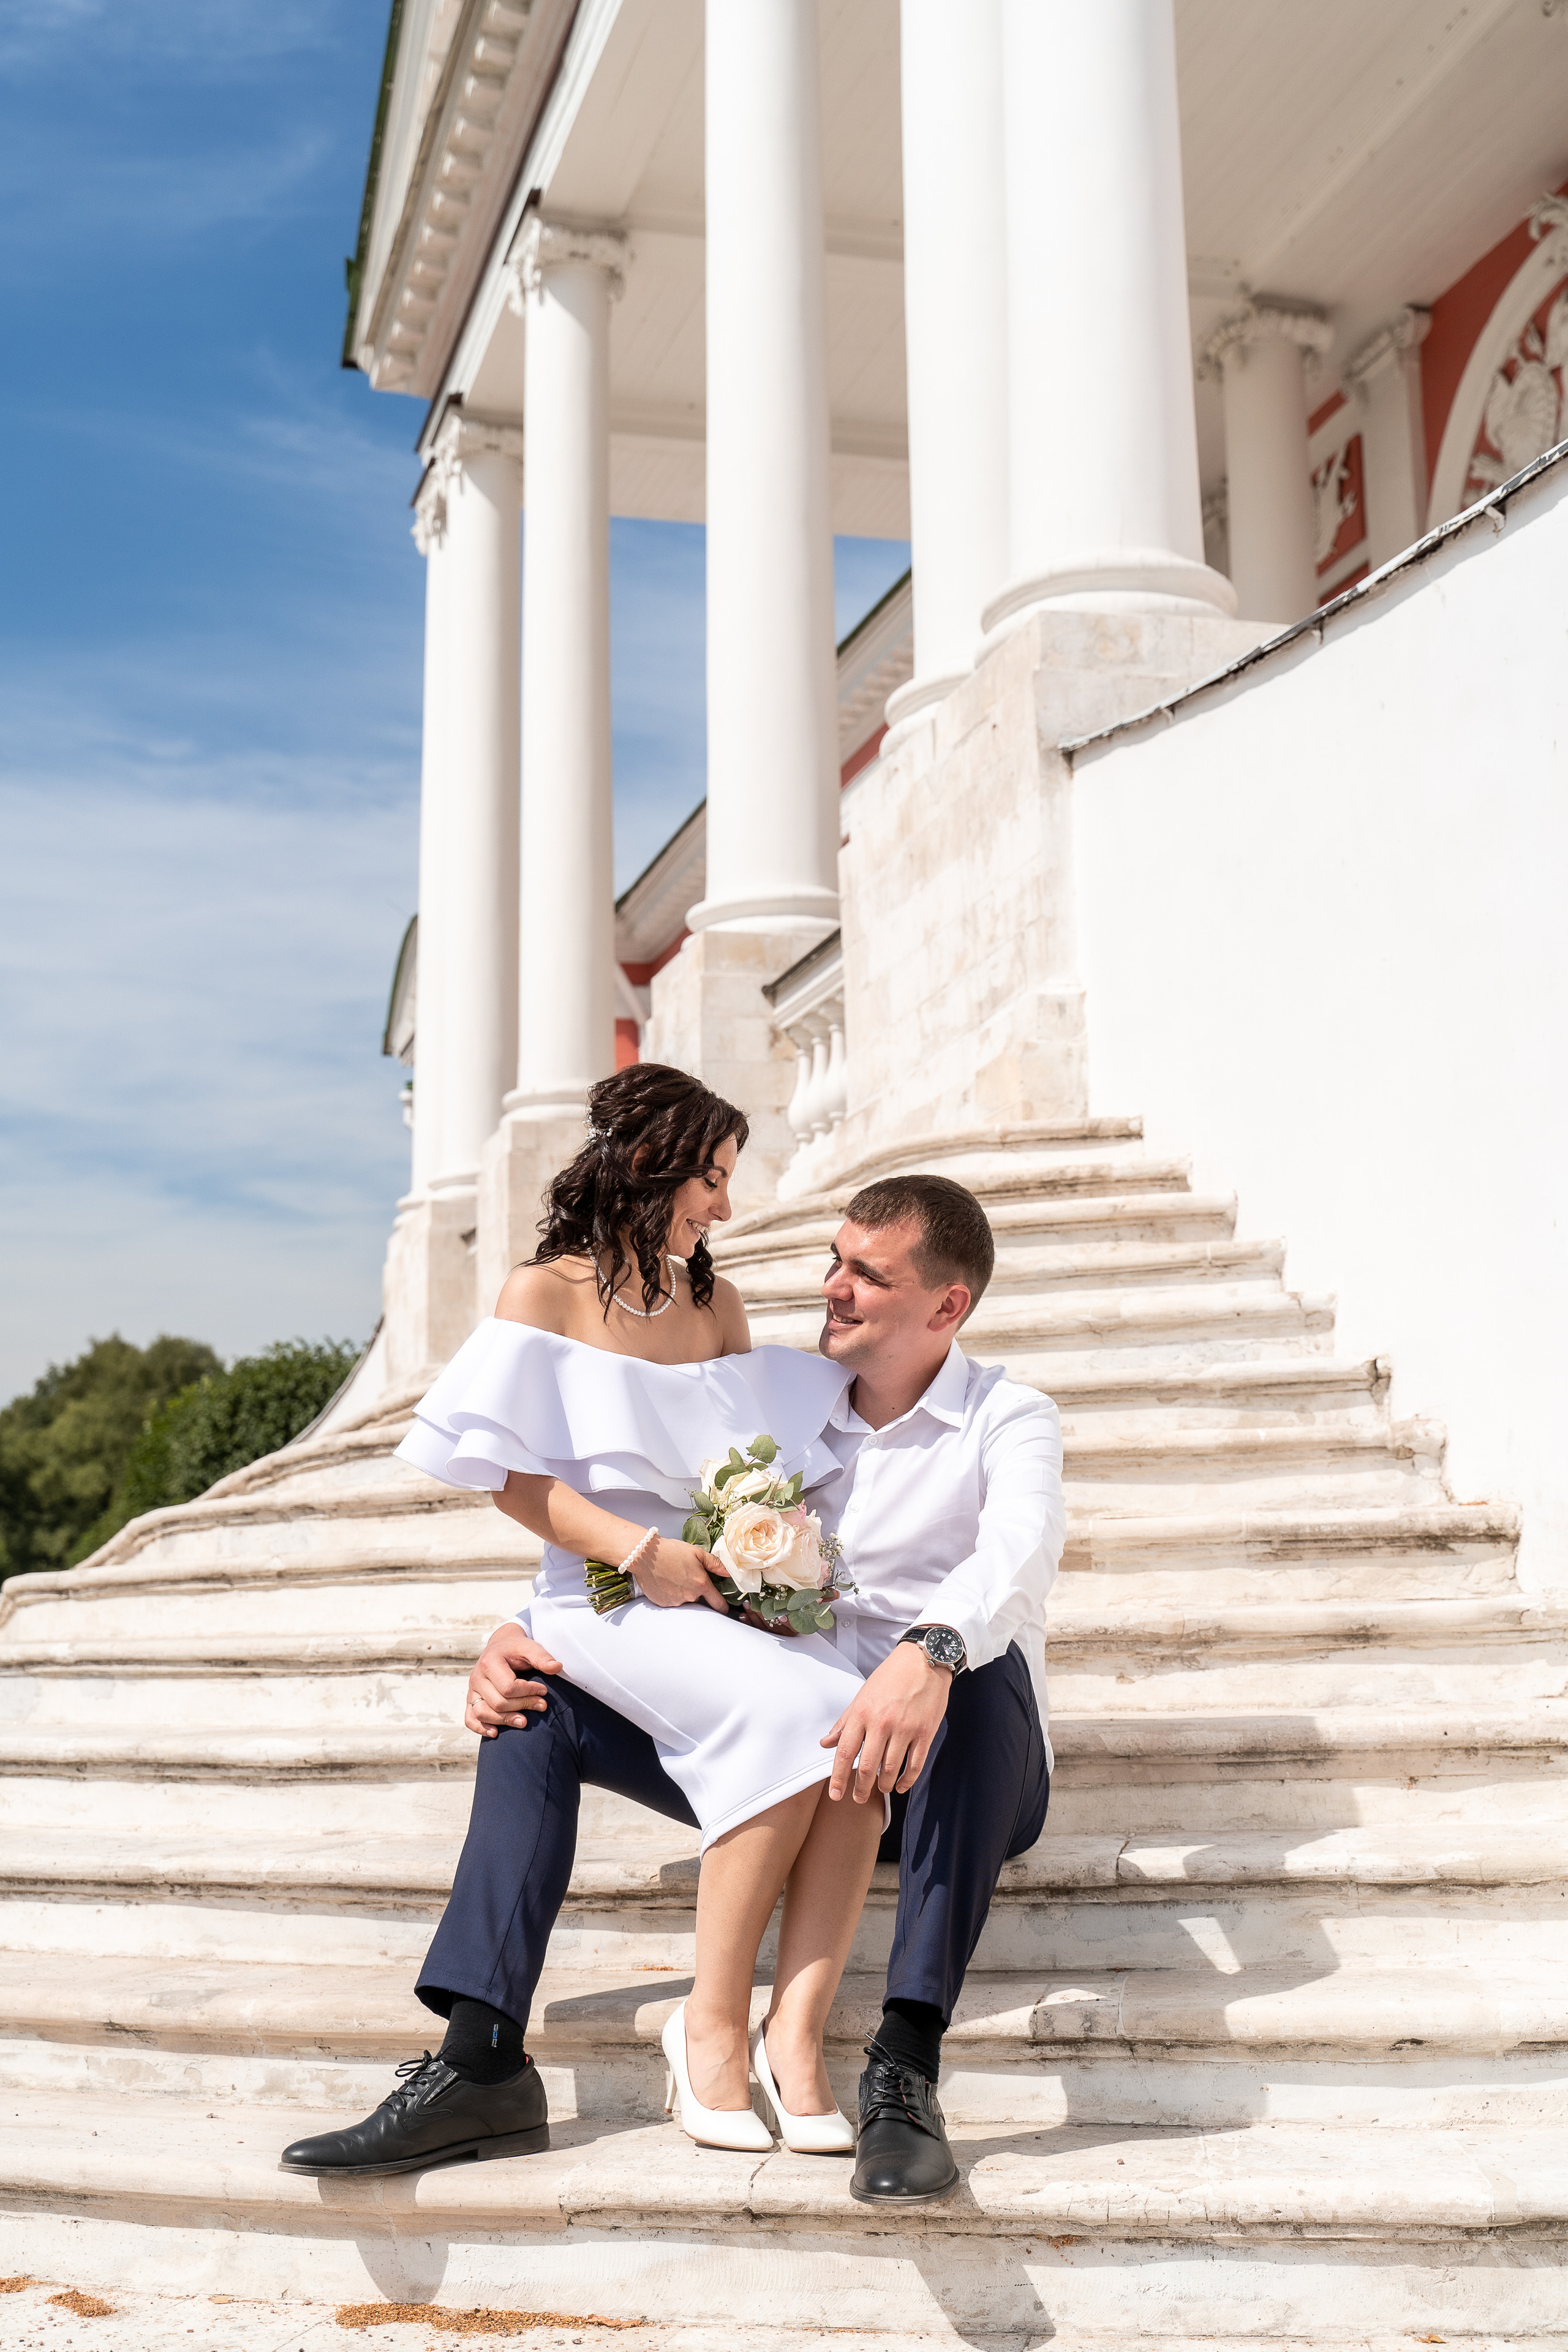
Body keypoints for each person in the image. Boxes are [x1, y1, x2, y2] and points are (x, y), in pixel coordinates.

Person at [283, 1119, 1065, 2206]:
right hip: (806, 1758)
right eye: (833, 1261)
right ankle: (481, 2058)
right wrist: (526, 1628)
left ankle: (904, 2068)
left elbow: (1020, 1552)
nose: (831, 1288)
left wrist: (926, 1653)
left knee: (974, 1670)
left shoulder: (1008, 1417)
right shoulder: (784, 1411)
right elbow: (642, 1524)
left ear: (946, 1307)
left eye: (867, 1275)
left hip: (947, 1780)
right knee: (536, 1704)